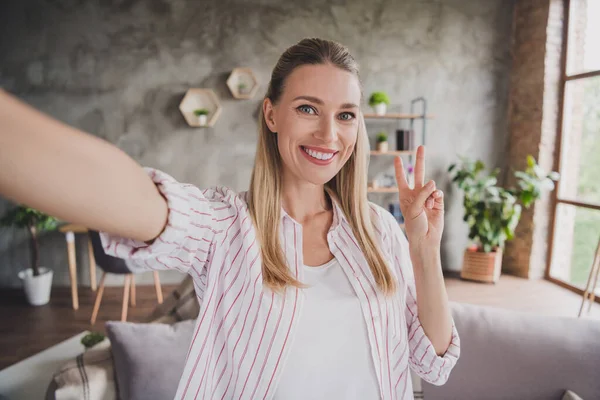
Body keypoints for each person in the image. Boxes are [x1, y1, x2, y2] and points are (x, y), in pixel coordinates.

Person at [0, 38, 459, 399]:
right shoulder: (227, 226)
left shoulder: (379, 231)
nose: (328, 133)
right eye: (307, 108)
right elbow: (130, 195)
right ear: (271, 114)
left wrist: (422, 248)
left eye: (345, 115)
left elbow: (434, 363)